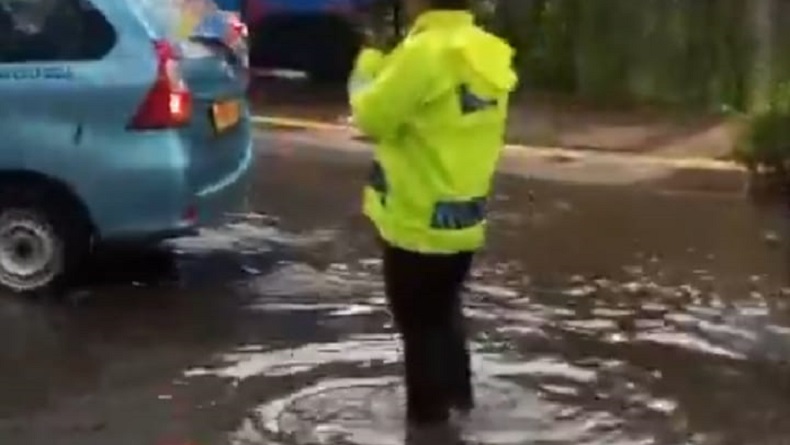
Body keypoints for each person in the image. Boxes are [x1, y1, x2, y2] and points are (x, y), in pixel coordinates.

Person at [347, 0, 518, 428]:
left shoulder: (423, 53)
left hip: (414, 222)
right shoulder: (488, 51)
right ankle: (460, 408)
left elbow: (369, 116)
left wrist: (369, 59)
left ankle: (428, 429)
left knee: (420, 336)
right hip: (462, 220)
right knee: (443, 318)